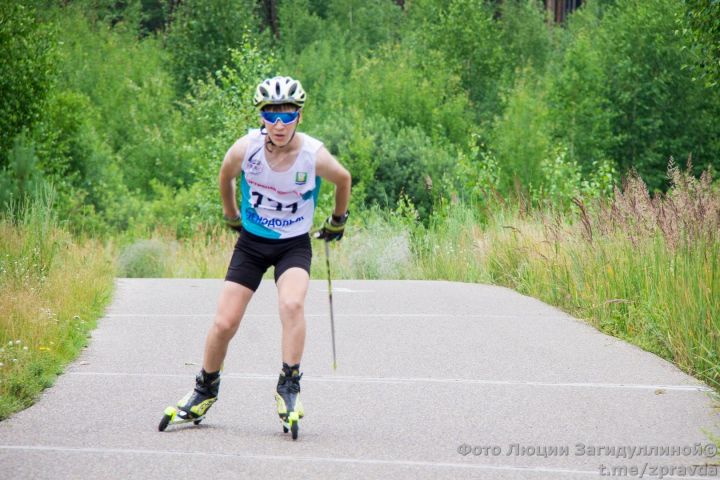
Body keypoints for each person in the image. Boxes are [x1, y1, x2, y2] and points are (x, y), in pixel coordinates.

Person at [164, 76, 351, 438]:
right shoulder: (246, 148)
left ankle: (289, 386)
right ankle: (205, 389)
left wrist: (337, 222)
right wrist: (231, 216)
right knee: (224, 323)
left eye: (287, 114)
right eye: (271, 114)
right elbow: (225, 176)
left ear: (299, 115)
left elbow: (343, 179)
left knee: (292, 305)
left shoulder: (313, 154)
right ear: (261, 115)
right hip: (251, 243)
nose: (279, 124)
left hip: (293, 244)